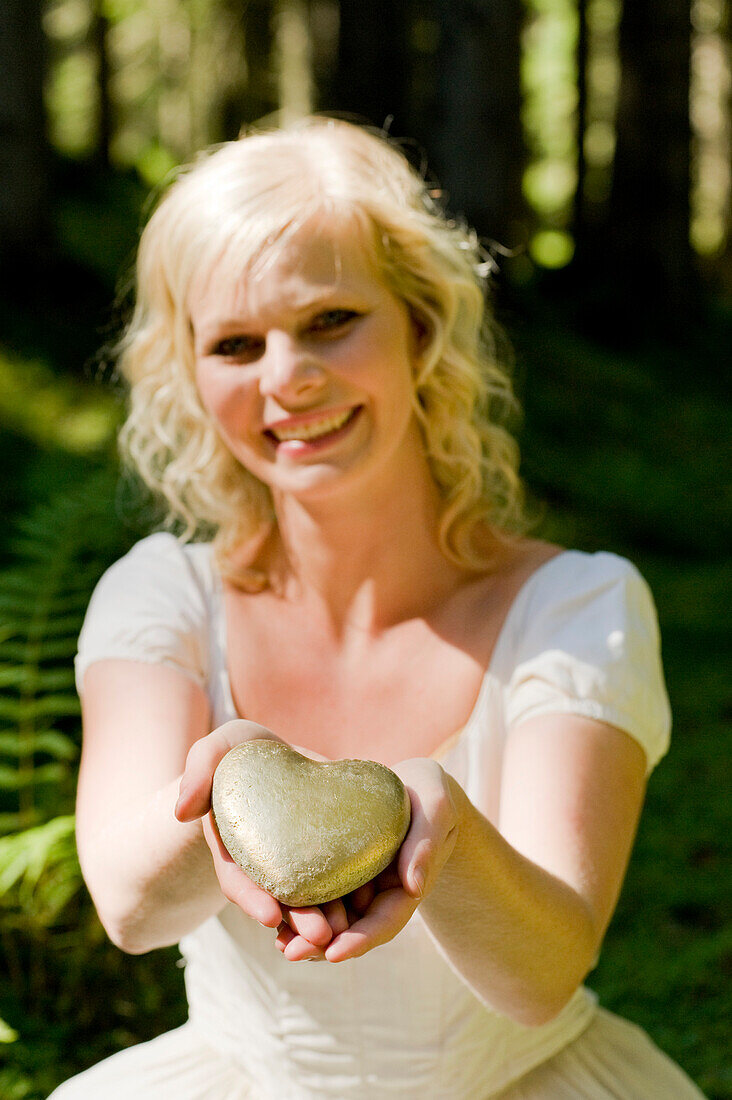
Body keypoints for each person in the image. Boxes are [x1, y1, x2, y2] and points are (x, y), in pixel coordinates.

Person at [49, 116, 705, 1099]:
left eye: (329, 320)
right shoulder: (162, 600)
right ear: (188, 371)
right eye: (234, 342)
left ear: (421, 324)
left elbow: (542, 974)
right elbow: (130, 909)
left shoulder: (578, 608)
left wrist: (446, 830)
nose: (286, 377)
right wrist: (225, 793)